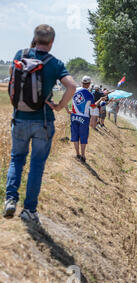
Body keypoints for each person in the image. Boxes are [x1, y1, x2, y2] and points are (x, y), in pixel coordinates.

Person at [3, 24, 77, 223]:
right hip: (43, 121)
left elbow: (12, 76)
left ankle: (10, 199)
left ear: (34, 39)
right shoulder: (55, 63)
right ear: (52, 42)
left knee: (16, 159)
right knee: (36, 164)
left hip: (19, 118)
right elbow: (72, 86)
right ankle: (29, 210)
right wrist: (60, 106)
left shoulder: (20, 54)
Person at [68, 76, 105, 163]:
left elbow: (66, 100)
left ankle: (77, 154)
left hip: (74, 116)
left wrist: (67, 110)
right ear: (89, 84)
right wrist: (100, 99)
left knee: (75, 135)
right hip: (84, 117)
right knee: (83, 136)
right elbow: (93, 106)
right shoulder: (89, 94)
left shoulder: (74, 90)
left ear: (81, 82)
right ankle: (83, 155)